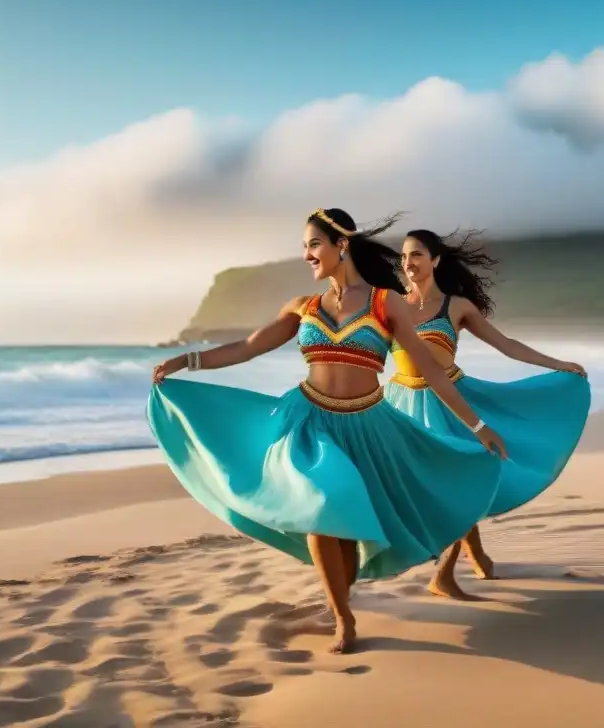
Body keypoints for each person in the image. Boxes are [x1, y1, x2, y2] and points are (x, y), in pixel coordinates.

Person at [148, 209, 507, 655]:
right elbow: (248, 346)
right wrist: (188, 362)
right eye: (304, 247)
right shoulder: (306, 306)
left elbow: (432, 371)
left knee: (346, 529)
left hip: (367, 424)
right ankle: (343, 618)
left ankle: (347, 593)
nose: (306, 255)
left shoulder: (385, 302)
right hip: (308, 423)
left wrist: (477, 425)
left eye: (313, 244)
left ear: (341, 245)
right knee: (322, 509)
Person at [384, 228, 591, 600]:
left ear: (435, 260)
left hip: (451, 405)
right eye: (403, 256)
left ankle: (445, 575)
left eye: (416, 254)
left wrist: (557, 364)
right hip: (401, 402)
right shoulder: (392, 304)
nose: (408, 263)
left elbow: (505, 344)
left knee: (455, 483)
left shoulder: (456, 307)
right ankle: (478, 555)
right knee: (439, 485)